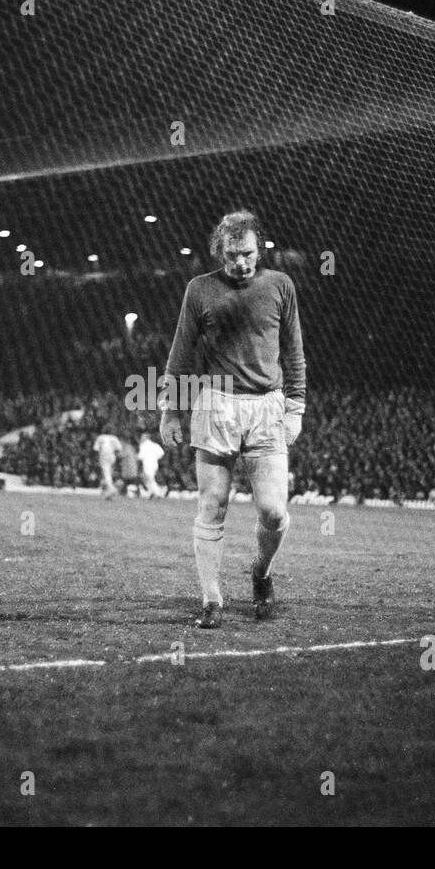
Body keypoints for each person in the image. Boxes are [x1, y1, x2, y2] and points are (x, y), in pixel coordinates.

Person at [160, 210, 306, 628]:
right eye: (231, 255)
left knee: (274, 512)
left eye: (247, 253)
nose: (240, 262)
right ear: (218, 252)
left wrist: (295, 407)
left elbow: (294, 351)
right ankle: (211, 599)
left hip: (266, 406)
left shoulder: (281, 286)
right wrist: (171, 411)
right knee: (212, 504)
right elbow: (181, 354)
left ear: (260, 248)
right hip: (215, 405)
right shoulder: (199, 289)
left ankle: (260, 573)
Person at [93, 432, 122, 498]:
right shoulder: (114, 437)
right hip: (112, 456)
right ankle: (105, 491)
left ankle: (111, 488)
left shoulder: (100, 437)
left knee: (106, 473)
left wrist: (97, 458)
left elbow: (96, 449)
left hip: (104, 455)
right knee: (108, 473)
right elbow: (119, 449)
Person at [137, 432, 165, 499]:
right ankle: (151, 492)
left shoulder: (143, 446)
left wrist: (137, 457)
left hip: (147, 464)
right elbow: (161, 453)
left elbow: (140, 456)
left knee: (150, 479)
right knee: (149, 479)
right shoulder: (155, 445)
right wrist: (156, 457)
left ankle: (158, 493)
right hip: (155, 464)